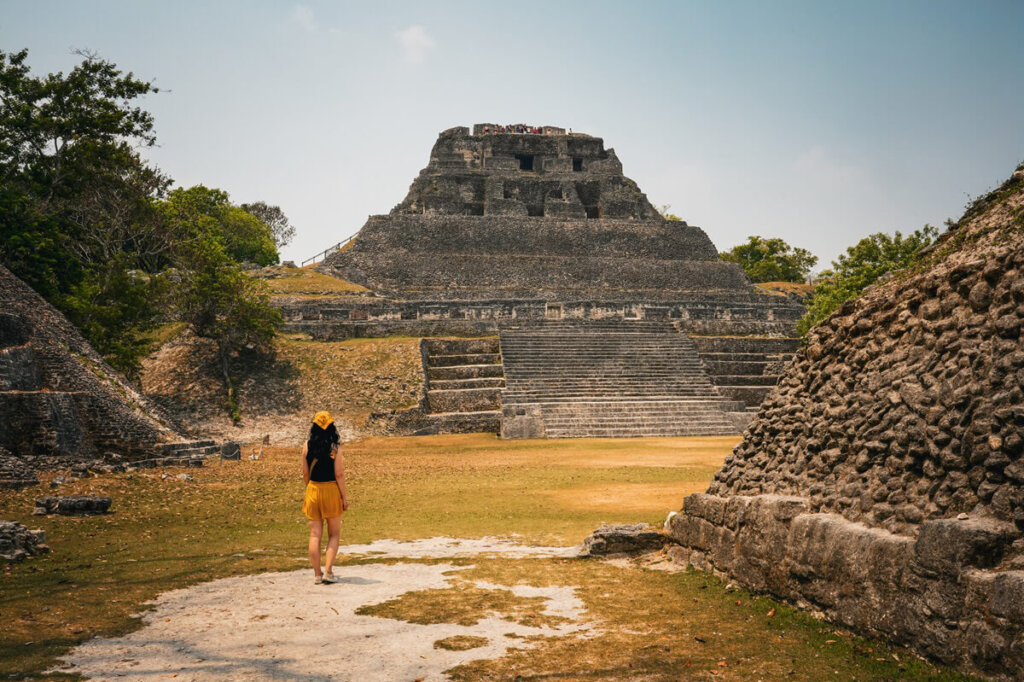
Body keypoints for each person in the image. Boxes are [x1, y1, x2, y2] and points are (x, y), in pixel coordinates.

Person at [301, 411, 348, 584]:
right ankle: (329, 571)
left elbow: (305, 473)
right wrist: (344, 498)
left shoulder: (306, 446)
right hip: (331, 490)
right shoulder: (335, 447)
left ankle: (317, 575)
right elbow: (339, 474)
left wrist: (311, 489)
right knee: (334, 534)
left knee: (314, 535)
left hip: (313, 489)